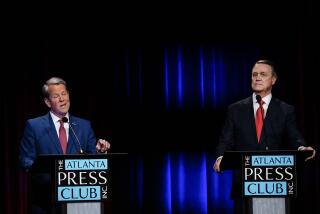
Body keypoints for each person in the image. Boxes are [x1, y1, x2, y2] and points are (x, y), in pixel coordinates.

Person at [213, 59, 316, 214]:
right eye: (254, 75)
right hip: (244, 186)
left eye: (263, 74)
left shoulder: (285, 110)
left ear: (273, 79)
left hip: (275, 184)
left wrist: (302, 148)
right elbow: (226, 139)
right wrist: (220, 158)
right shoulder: (235, 109)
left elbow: (294, 136)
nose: (257, 78)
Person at [19, 77, 111, 213]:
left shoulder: (84, 126)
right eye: (56, 96)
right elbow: (26, 161)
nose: (62, 99)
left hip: (79, 204)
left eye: (64, 94)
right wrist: (52, 177)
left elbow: (93, 159)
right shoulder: (34, 126)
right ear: (47, 102)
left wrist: (101, 152)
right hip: (46, 203)